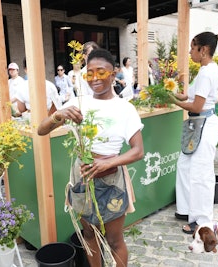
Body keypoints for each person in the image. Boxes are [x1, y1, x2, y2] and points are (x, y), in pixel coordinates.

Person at [37, 48, 144, 267]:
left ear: (113, 74)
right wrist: (58, 115)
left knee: (114, 240)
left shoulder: (124, 109)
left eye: (101, 72)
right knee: (89, 235)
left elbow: (137, 150)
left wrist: (108, 161)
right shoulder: (79, 103)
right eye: (90, 73)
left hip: (111, 180)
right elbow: (41, 130)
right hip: (82, 178)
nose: (95, 78)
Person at [171, 31, 218, 234]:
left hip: (203, 123)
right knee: (184, 165)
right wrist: (171, 93)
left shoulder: (206, 72)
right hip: (198, 125)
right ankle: (186, 210)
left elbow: (197, 106)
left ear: (203, 50)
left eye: (193, 48)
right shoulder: (209, 69)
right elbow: (190, 96)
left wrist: (174, 102)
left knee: (201, 174)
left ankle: (201, 221)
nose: (190, 52)